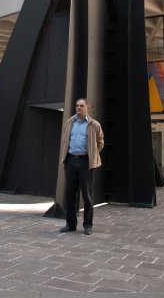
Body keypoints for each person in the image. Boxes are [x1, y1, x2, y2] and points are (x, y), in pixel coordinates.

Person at [59, 98, 104, 235]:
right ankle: (71, 224)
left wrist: (92, 154)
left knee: (87, 195)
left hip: (86, 162)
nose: (79, 107)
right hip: (71, 161)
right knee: (70, 194)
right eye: (77, 106)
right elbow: (66, 140)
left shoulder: (94, 124)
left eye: (81, 106)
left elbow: (100, 142)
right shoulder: (69, 122)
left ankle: (88, 225)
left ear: (87, 108)